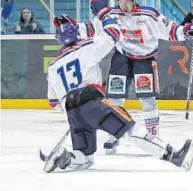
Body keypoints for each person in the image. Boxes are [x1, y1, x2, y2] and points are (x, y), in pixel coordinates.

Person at [42, 18, 193, 173]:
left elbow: (53, 102)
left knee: (85, 159)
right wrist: (106, 16)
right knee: (131, 129)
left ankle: (68, 157)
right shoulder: (87, 46)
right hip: (93, 103)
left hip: (72, 112)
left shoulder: (53, 66)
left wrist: (77, 109)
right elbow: (113, 32)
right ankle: (173, 155)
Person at [60, 0, 193, 155]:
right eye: (120, 1)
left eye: (126, 1)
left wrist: (186, 31)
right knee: (115, 98)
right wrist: (70, 27)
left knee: (147, 99)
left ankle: (152, 136)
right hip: (121, 57)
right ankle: (114, 135)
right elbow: (91, 28)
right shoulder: (112, 15)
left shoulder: (149, 14)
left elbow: (172, 30)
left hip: (144, 59)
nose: (123, 5)